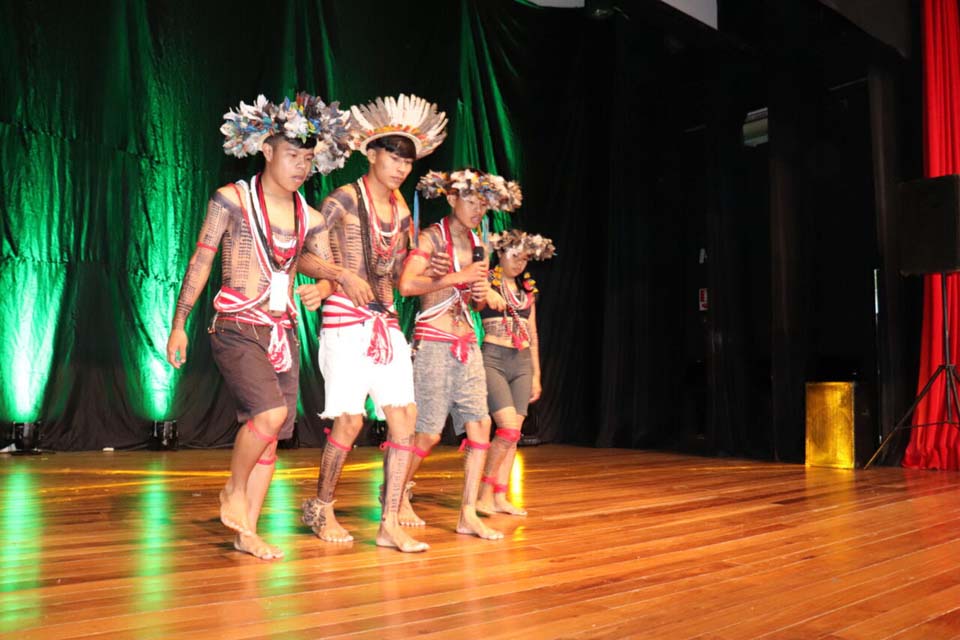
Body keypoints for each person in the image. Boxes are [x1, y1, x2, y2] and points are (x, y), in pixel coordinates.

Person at [166, 93, 351, 560]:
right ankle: (233, 489)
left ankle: (246, 531)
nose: (300, 166)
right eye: (292, 155)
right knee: (267, 416)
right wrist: (180, 323)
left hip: (281, 332)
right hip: (236, 323)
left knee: (272, 434)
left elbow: (325, 269)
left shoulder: (310, 217)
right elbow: (201, 259)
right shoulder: (231, 200)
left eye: (308, 159)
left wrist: (323, 289)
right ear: (266, 150)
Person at [297, 94, 447, 553]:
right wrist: (335, 279)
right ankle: (322, 505)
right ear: (372, 153)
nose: (402, 167)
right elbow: (305, 255)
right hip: (344, 319)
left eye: (408, 159)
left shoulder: (403, 213)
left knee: (405, 415)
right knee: (349, 421)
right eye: (394, 156)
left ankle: (388, 520)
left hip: (385, 322)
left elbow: (396, 276)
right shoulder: (341, 198)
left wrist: (435, 273)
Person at [397, 169, 522, 540]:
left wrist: (482, 292)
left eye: (483, 203)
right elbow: (406, 285)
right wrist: (458, 277)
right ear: (451, 199)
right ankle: (397, 493)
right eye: (471, 200)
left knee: (480, 424)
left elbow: (475, 296)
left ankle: (468, 512)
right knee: (428, 434)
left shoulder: (478, 242)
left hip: (467, 343)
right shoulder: (431, 238)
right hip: (434, 342)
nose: (478, 209)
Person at [476, 229, 555, 516]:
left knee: (514, 434)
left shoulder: (527, 291)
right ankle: (483, 494)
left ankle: (500, 495)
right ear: (500, 254)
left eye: (524, 258)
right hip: (493, 357)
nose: (520, 263)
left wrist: (536, 374)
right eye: (514, 256)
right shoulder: (486, 282)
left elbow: (533, 333)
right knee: (507, 428)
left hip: (522, 362)